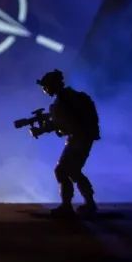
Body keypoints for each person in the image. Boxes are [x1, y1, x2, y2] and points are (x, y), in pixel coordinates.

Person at [38, 69, 100, 216]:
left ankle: (68, 206)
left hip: (79, 138)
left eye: (46, 86)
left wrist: (44, 128)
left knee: (63, 170)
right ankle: (88, 203)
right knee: (73, 170)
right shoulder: (70, 98)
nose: (45, 90)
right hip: (82, 137)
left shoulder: (64, 101)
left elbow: (63, 123)